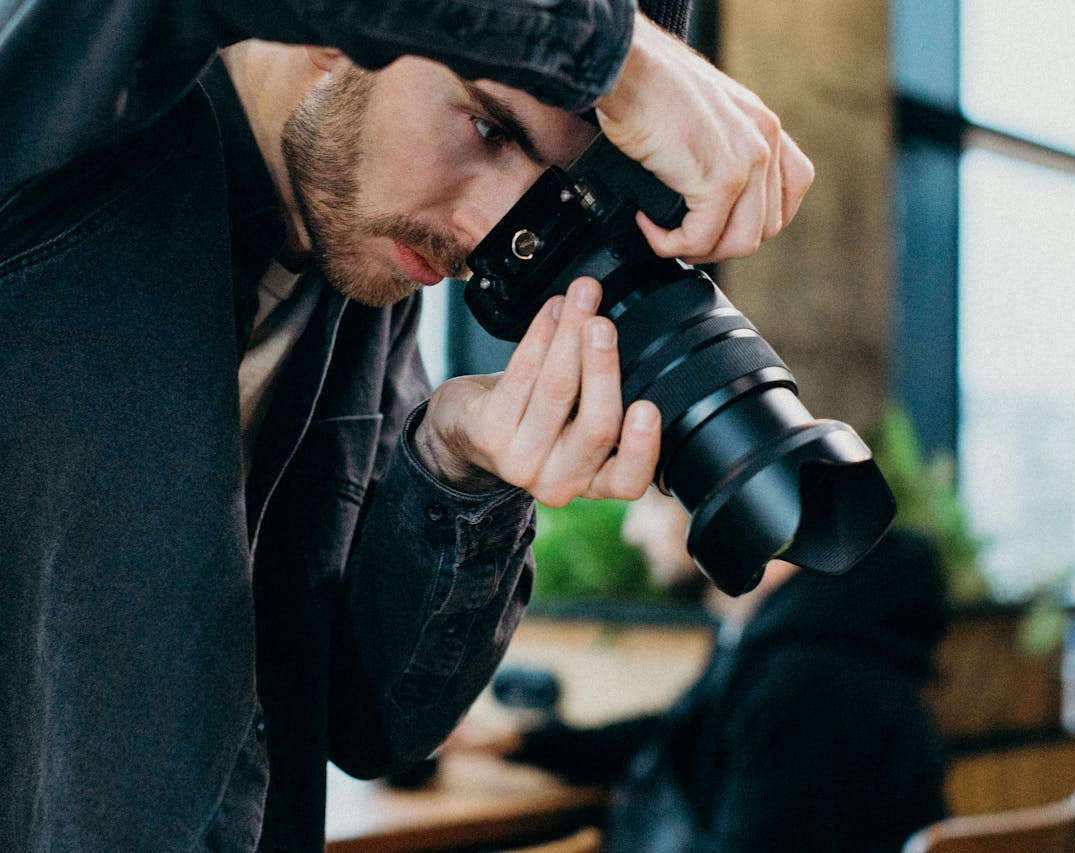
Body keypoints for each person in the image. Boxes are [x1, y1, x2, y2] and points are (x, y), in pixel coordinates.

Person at [0, 2, 814, 850]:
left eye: (542, 185)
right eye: (489, 128)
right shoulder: (70, 105)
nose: (483, 234)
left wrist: (457, 467)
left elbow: (368, 720)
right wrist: (624, 59)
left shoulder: (364, 274)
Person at [458, 489, 952, 852]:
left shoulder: (804, 683)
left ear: (741, 518)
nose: (633, 531)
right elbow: (683, 732)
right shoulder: (777, 644)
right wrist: (516, 743)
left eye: (653, 503)